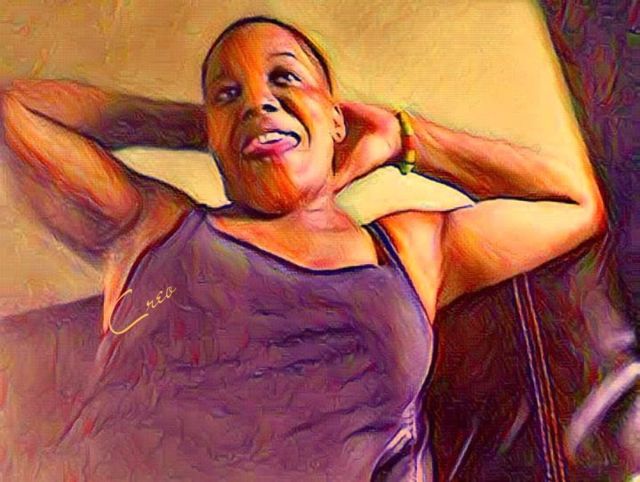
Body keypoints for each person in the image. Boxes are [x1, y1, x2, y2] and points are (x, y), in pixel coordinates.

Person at [0, 15, 605, 482]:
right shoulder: (157, 227)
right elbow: (18, 111)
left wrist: (406, 136)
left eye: (285, 78)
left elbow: (574, 202)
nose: (258, 99)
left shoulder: (410, 249)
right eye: (227, 92)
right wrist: (214, 125)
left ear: (338, 119)